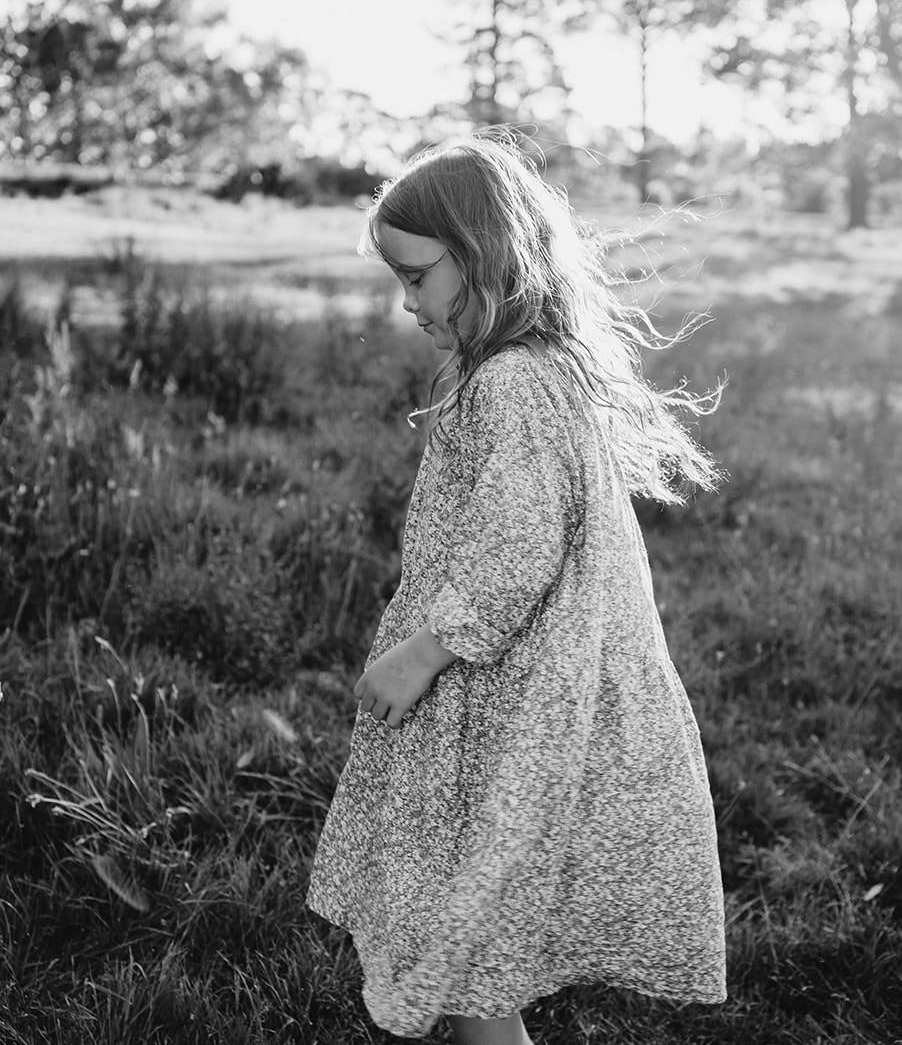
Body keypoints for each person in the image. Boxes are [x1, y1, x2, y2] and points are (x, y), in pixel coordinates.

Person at [306, 133, 728, 1045]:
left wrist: (422, 650)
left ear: (483, 258)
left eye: (417, 277)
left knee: (467, 927)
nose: (407, 301)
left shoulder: (512, 384)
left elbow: (517, 543)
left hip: (509, 688)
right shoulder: (531, 367)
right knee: (465, 926)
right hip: (517, 684)